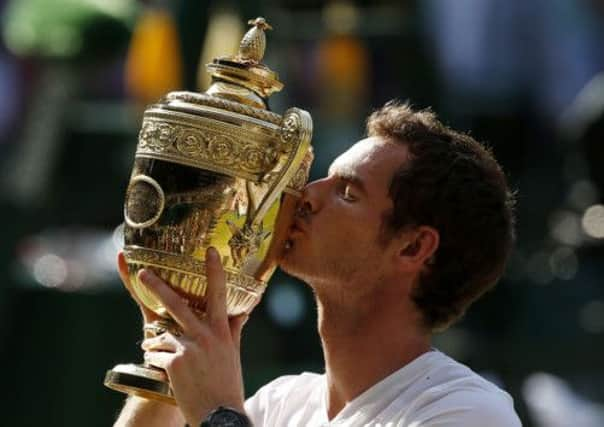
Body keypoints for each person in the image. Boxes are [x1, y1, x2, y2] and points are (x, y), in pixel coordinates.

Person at [114, 101, 520, 427]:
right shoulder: (282, 403)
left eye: (346, 192)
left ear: (413, 248)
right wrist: (168, 364)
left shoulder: (467, 413)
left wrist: (217, 414)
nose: (305, 196)